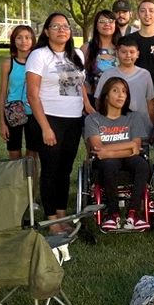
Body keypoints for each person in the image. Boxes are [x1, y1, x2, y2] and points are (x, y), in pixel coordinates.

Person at [26, 12, 94, 231]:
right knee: (50, 170)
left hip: (73, 120)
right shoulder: (39, 56)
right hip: (49, 119)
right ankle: (52, 218)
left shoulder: (76, 55)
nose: (62, 30)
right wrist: (45, 127)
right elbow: (32, 95)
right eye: (56, 26)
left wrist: (88, 107)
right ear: (46, 31)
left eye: (65, 26)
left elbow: (80, 85)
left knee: (65, 170)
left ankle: (63, 214)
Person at [84, 77, 152, 231]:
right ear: (106, 95)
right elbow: (97, 149)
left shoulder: (133, 117)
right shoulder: (93, 119)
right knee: (109, 164)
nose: (121, 95)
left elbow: (136, 146)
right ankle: (112, 213)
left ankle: (134, 213)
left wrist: (108, 151)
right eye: (115, 91)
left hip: (128, 159)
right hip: (107, 163)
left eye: (124, 91)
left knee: (142, 164)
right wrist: (128, 146)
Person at [0, 24, 40, 161]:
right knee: (14, 152)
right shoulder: (8, 63)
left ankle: (31, 181)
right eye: (19, 38)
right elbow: (3, 93)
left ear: (33, 40)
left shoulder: (38, 62)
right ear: (13, 41)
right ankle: (17, 180)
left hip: (33, 111)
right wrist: (2, 123)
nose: (23, 41)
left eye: (27, 37)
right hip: (13, 112)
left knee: (32, 152)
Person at [94, 36, 154, 125]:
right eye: (124, 52)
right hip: (115, 126)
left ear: (137, 54)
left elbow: (150, 102)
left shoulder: (145, 74)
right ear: (117, 53)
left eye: (132, 52)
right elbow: (99, 100)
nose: (128, 55)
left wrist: (152, 125)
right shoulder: (108, 74)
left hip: (141, 125)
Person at [81, 9, 120, 98]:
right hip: (92, 98)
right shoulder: (86, 48)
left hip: (117, 100)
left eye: (110, 21)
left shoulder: (121, 48)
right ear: (96, 26)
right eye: (102, 21)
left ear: (115, 25)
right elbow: (79, 78)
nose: (107, 24)